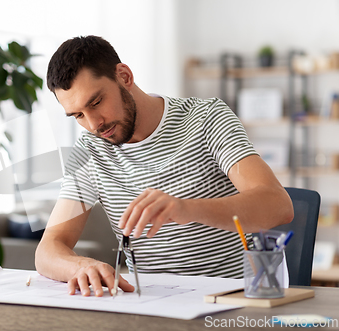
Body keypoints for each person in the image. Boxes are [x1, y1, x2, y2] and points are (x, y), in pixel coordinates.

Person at [35, 35, 293, 297]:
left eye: (96, 102)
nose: (93, 124)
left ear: (124, 76)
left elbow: (278, 206)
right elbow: (48, 250)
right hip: (152, 304)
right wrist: (80, 266)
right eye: (78, 115)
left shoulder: (206, 118)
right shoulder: (91, 149)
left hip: (232, 298)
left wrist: (186, 208)